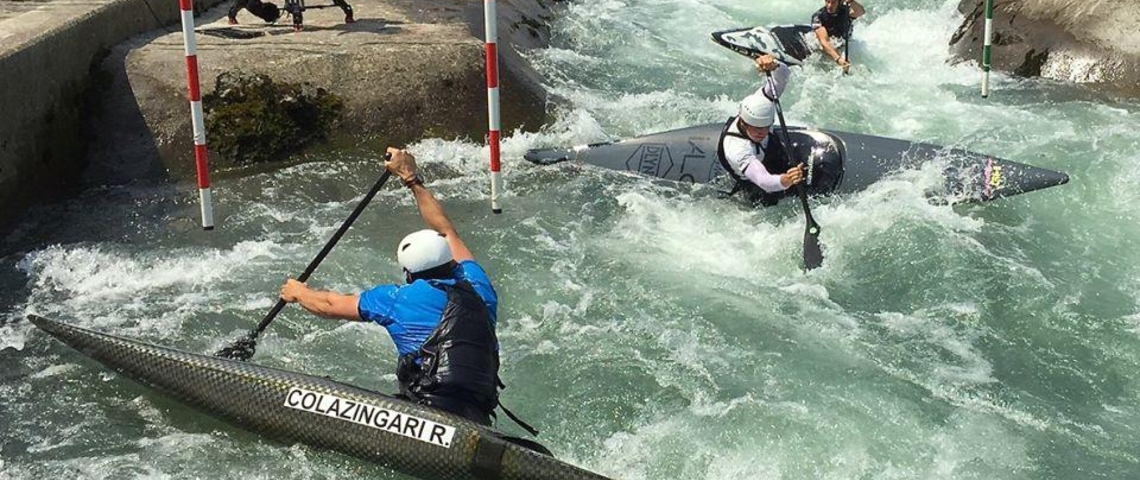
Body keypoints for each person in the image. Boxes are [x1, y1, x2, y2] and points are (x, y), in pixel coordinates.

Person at [279, 148, 507, 428]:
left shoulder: (397, 299)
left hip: (426, 411)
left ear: (409, 273)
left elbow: (329, 306)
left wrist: (298, 292)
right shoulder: (477, 283)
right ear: (448, 258)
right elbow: (446, 230)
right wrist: (411, 179)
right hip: (478, 415)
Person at [716, 54, 805, 206]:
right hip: (757, 185)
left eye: (766, 127)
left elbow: (783, 75)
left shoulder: (761, 103)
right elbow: (764, 181)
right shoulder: (737, 149)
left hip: (769, 153)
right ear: (743, 122)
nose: (762, 133)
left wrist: (775, 65)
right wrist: (787, 180)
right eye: (756, 129)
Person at [811, 0, 865, 72]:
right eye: (828, 1)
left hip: (844, 43)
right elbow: (824, 41)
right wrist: (838, 59)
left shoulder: (846, 11)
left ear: (839, 2)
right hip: (828, 46)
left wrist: (851, 1)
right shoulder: (818, 17)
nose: (829, 5)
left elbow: (861, 12)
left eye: (833, 2)